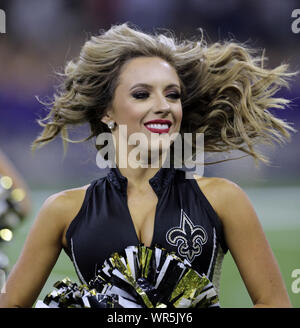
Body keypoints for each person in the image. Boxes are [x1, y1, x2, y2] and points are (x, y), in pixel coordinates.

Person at [0, 23, 295, 308]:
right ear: (107, 111)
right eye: (142, 94)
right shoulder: (63, 210)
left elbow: (274, 303)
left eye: (172, 95)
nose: (164, 105)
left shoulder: (223, 199)